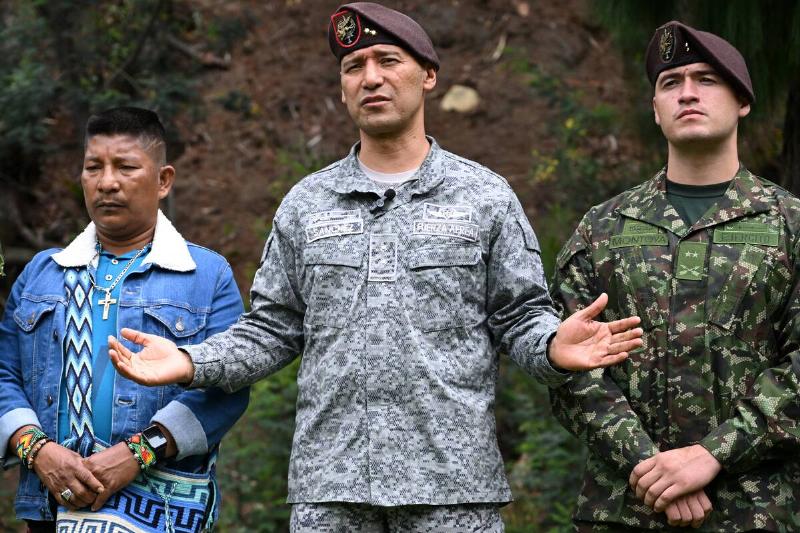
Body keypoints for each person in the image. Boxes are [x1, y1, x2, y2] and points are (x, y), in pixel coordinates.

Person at [108, 4, 643, 531]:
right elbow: (271, 329)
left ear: (428, 75)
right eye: (353, 67)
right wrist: (188, 361)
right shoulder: (307, 203)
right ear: (342, 88)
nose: (371, 78)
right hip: (331, 489)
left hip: (451, 489)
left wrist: (552, 346)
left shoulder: (484, 196)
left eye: (388, 61)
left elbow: (521, 316)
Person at [550, 20, 800, 532]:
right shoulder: (601, 229)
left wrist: (713, 454)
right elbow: (568, 366)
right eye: (671, 82)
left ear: (742, 101)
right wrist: (652, 467)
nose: (687, 92)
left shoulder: (790, 225)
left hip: (759, 511)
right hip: (624, 511)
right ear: (655, 108)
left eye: (706, 79)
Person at [0, 107, 249, 532]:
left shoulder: (206, 276)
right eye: (93, 167)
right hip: (48, 507)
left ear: (163, 180)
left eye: (126, 167)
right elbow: (5, 373)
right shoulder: (42, 274)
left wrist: (139, 452)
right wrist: (37, 450)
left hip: (161, 508)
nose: (107, 182)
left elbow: (227, 387)